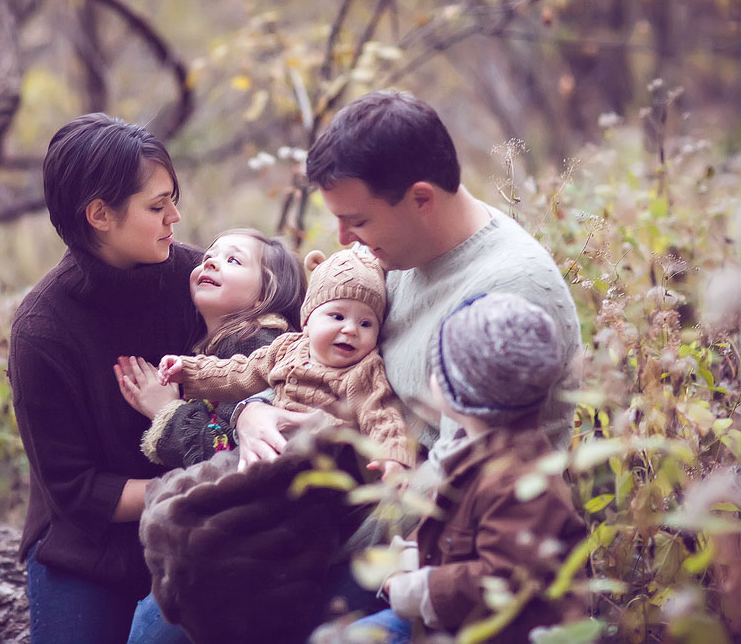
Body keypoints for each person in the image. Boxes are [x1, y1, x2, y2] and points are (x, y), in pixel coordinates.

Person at [234, 88, 581, 470]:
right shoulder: (395, 249)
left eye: (358, 221)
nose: (344, 240)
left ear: (421, 200)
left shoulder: (508, 295)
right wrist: (255, 410)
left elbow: (457, 488)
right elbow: (311, 350)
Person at [8, 113, 204, 644]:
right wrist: (191, 484)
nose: (175, 217)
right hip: (89, 546)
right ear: (99, 214)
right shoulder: (42, 332)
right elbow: (73, 489)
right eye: (157, 207)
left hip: (199, 528)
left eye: (173, 200)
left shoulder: (201, 284)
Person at [349, 293, 588, 643]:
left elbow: (503, 577)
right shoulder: (472, 449)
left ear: (459, 392)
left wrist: (412, 588)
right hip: (451, 617)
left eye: (439, 368)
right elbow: (453, 530)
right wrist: (410, 557)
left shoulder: (520, 484)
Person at [159, 246, 414, 475]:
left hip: (319, 469)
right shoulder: (285, 348)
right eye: (337, 317)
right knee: (182, 491)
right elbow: (239, 372)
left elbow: (380, 414)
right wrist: (189, 370)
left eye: (365, 323)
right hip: (268, 453)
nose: (350, 329)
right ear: (308, 321)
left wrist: (393, 456)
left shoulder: (363, 371)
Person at [114, 228, 306, 468]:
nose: (212, 263)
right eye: (208, 257)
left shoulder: (254, 344)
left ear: (265, 293)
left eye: (233, 260)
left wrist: (166, 410)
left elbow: (224, 454)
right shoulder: (225, 345)